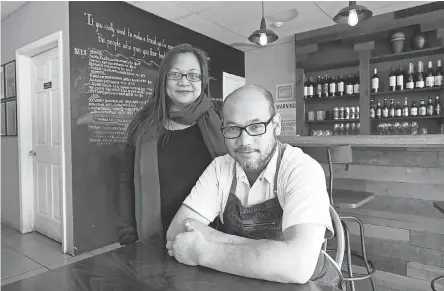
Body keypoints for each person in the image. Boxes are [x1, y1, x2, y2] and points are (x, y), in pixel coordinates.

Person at [166, 85, 344, 288]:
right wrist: (276, 252)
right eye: (233, 128)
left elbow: (298, 265)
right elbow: (177, 232)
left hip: (312, 284)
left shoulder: (301, 169)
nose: (244, 141)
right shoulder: (220, 167)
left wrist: (202, 250)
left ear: (276, 124)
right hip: (244, 280)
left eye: (256, 126)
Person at [117, 43, 226, 245]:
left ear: (202, 82)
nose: (184, 82)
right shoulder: (141, 126)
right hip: (154, 238)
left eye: (193, 75)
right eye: (175, 74)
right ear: (164, 79)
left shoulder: (221, 122)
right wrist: (128, 232)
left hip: (212, 237)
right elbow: (126, 180)